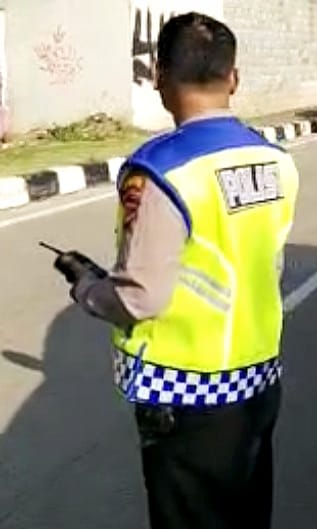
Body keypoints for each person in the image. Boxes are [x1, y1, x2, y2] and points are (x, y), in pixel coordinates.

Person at [52, 11, 299, 529]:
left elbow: (140, 297)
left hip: (186, 401)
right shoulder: (276, 161)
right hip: (258, 382)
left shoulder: (160, 171)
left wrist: (89, 288)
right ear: (233, 78)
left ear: (161, 78)